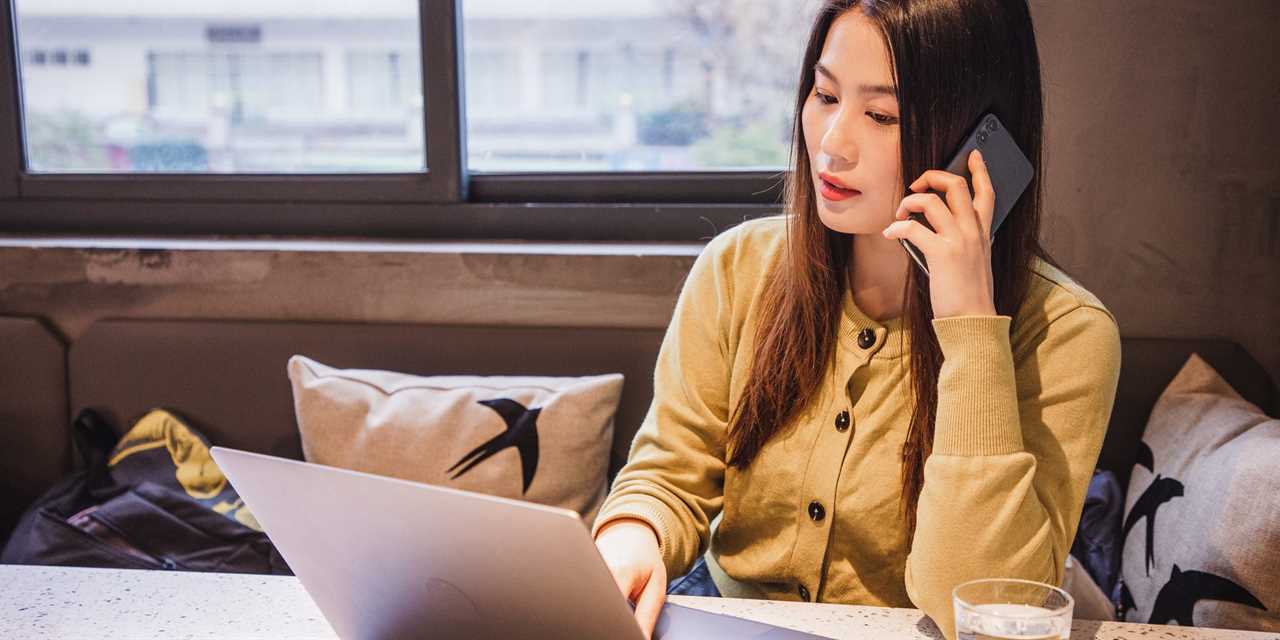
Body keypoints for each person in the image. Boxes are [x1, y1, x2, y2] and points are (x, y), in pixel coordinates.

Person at [591, 1, 1123, 639]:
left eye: (881, 115)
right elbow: (668, 477)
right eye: (824, 95)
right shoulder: (737, 268)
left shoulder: (1068, 332)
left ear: (981, 146)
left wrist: (971, 329)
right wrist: (632, 535)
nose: (833, 143)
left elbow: (981, 606)